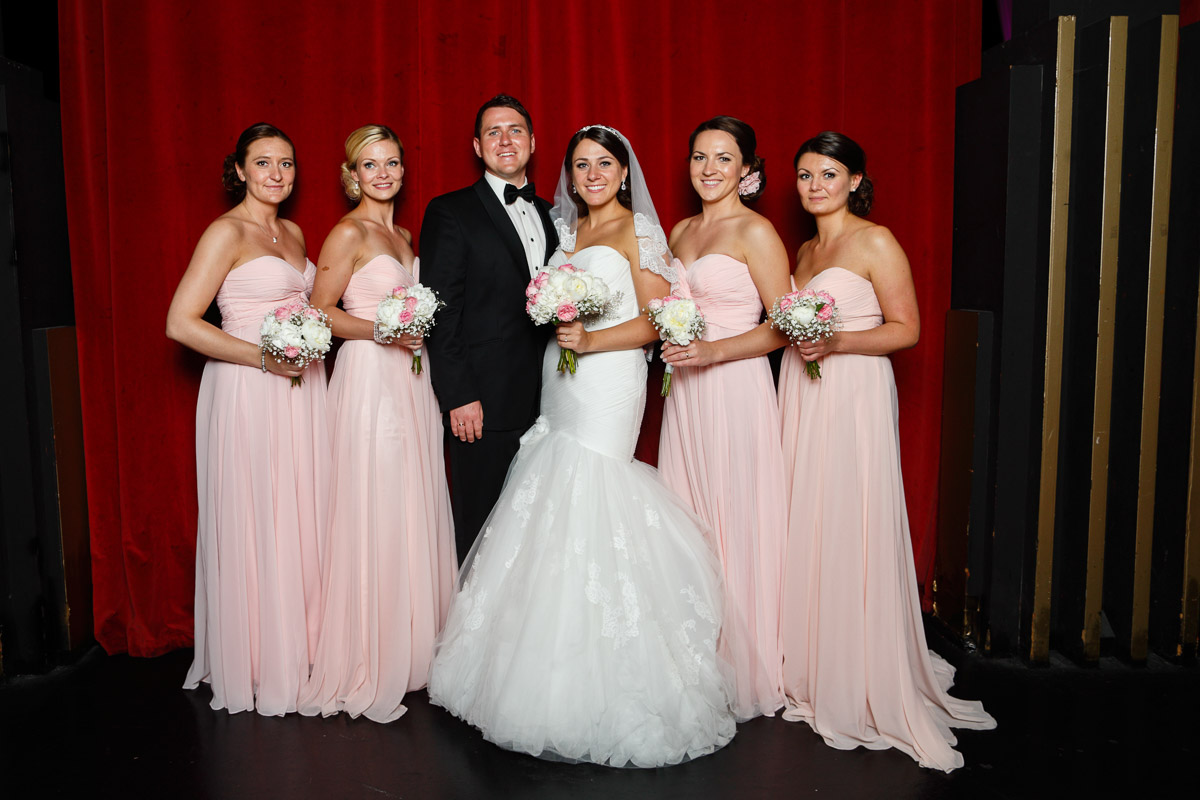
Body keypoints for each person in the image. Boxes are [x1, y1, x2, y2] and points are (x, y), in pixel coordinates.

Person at [428, 125, 736, 768]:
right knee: (548, 483)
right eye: (581, 166)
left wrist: (593, 342)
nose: (592, 174)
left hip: (607, 381)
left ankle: (611, 671)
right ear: (568, 176)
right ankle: (533, 659)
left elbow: (658, 318)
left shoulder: (640, 234)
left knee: (592, 485)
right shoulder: (569, 233)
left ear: (625, 173)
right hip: (558, 379)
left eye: (604, 164)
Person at [778, 131, 995, 771]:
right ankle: (809, 655)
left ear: (855, 180)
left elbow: (908, 329)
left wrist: (836, 343)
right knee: (804, 509)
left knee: (848, 512)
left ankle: (857, 661)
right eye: (805, 175)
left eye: (828, 174)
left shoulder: (875, 241)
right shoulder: (805, 248)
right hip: (802, 388)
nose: (815, 185)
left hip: (851, 394)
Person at [166, 123, 328, 716]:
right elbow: (181, 322)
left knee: (300, 509)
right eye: (263, 163)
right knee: (257, 512)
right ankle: (259, 656)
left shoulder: (292, 231)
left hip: (301, 389)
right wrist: (265, 356)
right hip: (247, 387)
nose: (277, 174)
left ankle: (301, 647)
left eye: (286, 163)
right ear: (239, 169)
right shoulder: (225, 232)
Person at [297, 125, 457, 723]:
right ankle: (372, 649)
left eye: (391, 163)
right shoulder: (349, 231)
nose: (383, 174)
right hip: (369, 376)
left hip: (411, 378)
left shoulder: (404, 234)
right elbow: (320, 313)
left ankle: (413, 645)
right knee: (376, 502)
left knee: (410, 500)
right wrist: (383, 330)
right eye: (370, 165)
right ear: (352, 175)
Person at [657, 116, 790, 720]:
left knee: (735, 516)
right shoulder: (680, 231)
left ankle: (747, 657)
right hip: (685, 393)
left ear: (748, 171)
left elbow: (784, 325)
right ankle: (694, 655)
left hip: (734, 387)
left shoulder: (756, 231)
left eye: (724, 158)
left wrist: (712, 350)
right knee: (687, 518)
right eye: (700, 157)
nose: (709, 169)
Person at [419, 95, 558, 560]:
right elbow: (442, 310)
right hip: (483, 401)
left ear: (532, 143)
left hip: (552, 398)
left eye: (515, 130)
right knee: (483, 527)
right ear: (477, 146)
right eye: (493, 132)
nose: (505, 140)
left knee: (539, 527)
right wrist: (457, 393)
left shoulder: (553, 215)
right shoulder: (450, 211)